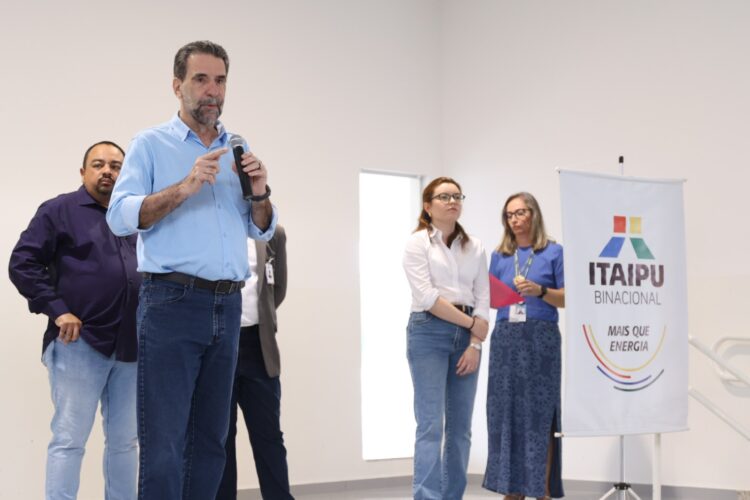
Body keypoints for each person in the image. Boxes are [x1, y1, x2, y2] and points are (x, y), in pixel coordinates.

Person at [106, 40, 278, 500]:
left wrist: (260, 193)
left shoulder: (236, 147)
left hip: (227, 306)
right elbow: (120, 215)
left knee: (212, 443)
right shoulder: (151, 144)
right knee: (164, 443)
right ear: (177, 85)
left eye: (220, 80)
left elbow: (260, 230)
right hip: (171, 304)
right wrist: (184, 187)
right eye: (201, 79)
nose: (212, 91)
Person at [8, 141, 139, 500]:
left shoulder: (134, 217)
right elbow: (23, 263)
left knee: (125, 443)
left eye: (115, 165)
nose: (108, 171)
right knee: (69, 440)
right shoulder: (59, 211)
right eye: (98, 164)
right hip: (79, 345)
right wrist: (56, 307)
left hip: (132, 347)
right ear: (83, 173)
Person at [402, 177, 490, 500]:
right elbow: (427, 297)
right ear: (428, 206)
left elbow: (483, 298)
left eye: (456, 196)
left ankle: (452, 496)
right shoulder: (418, 243)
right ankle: (426, 496)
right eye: (444, 196)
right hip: (428, 332)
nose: (452, 201)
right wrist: (472, 325)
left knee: (461, 430)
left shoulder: (475, 246)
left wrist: (475, 343)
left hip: (466, 339)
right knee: (430, 427)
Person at [482, 192, 565, 500]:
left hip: (541, 340)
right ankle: (511, 489)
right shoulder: (499, 256)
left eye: (519, 213)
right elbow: (488, 297)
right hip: (506, 340)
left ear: (534, 214)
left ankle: (540, 490)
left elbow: (568, 298)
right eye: (509, 215)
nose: (514, 219)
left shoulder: (554, 252)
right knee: (506, 413)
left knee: (540, 416)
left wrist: (540, 291)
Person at [216, 225, 292, 500]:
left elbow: (277, 288)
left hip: (259, 347)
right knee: (220, 438)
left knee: (269, 436)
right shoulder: (213, 227)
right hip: (219, 345)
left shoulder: (273, 233)